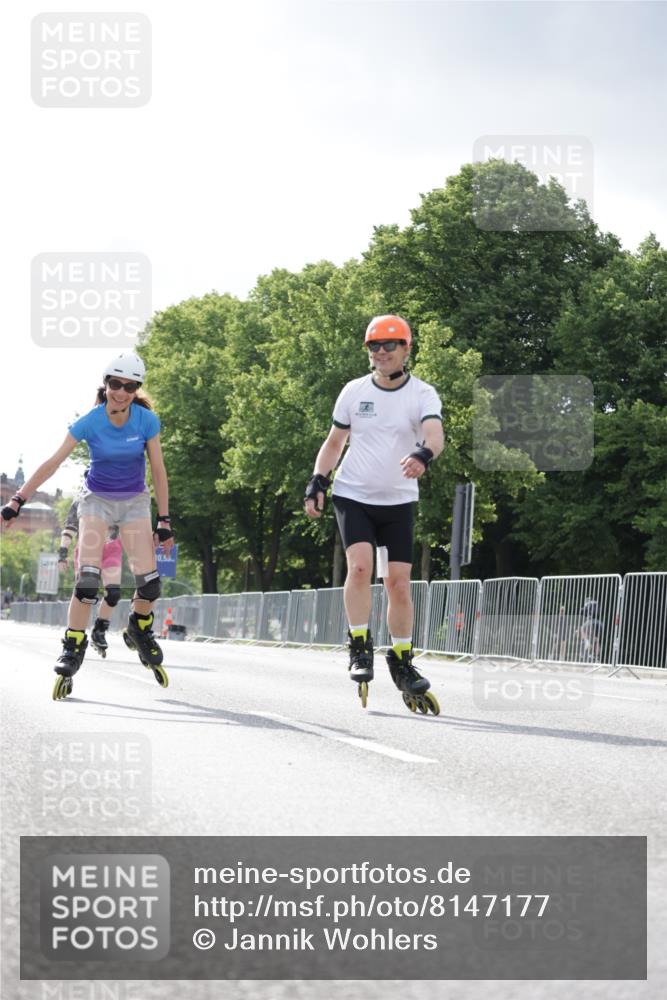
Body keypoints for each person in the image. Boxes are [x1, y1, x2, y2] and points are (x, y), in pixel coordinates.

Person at [1, 352, 174, 698]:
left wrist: (165, 519)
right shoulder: (91, 421)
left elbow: (157, 470)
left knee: (150, 584)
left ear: (136, 388)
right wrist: (17, 500)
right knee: (88, 580)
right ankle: (73, 644)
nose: (121, 392)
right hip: (95, 500)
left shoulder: (146, 421)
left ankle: (139, 628)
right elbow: (53, 463)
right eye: (115, 384)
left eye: (129, 386)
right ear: (105, 385)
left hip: (135, 502)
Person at [304, 315, 444, 714]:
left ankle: (401, 659)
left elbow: (435, 434)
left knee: (398, 582)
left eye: (390, 345)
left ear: (406, 348)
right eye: (374, 346)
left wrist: (424, 454)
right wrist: (317, 480)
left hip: (399, 499)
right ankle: (360, 646)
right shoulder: (353, 391)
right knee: (361, 568)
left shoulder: (422, 394)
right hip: (354, 494)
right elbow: (334, 443)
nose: (381, 352)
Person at [57, 493, 123, 657]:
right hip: (87, 547)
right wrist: (62, 554)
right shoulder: (81, 497)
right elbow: (70, 528)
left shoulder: (121, 493)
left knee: (113, 593)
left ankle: (99, 630)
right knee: (83, 591)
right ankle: (74, 637)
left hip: (111, 547)